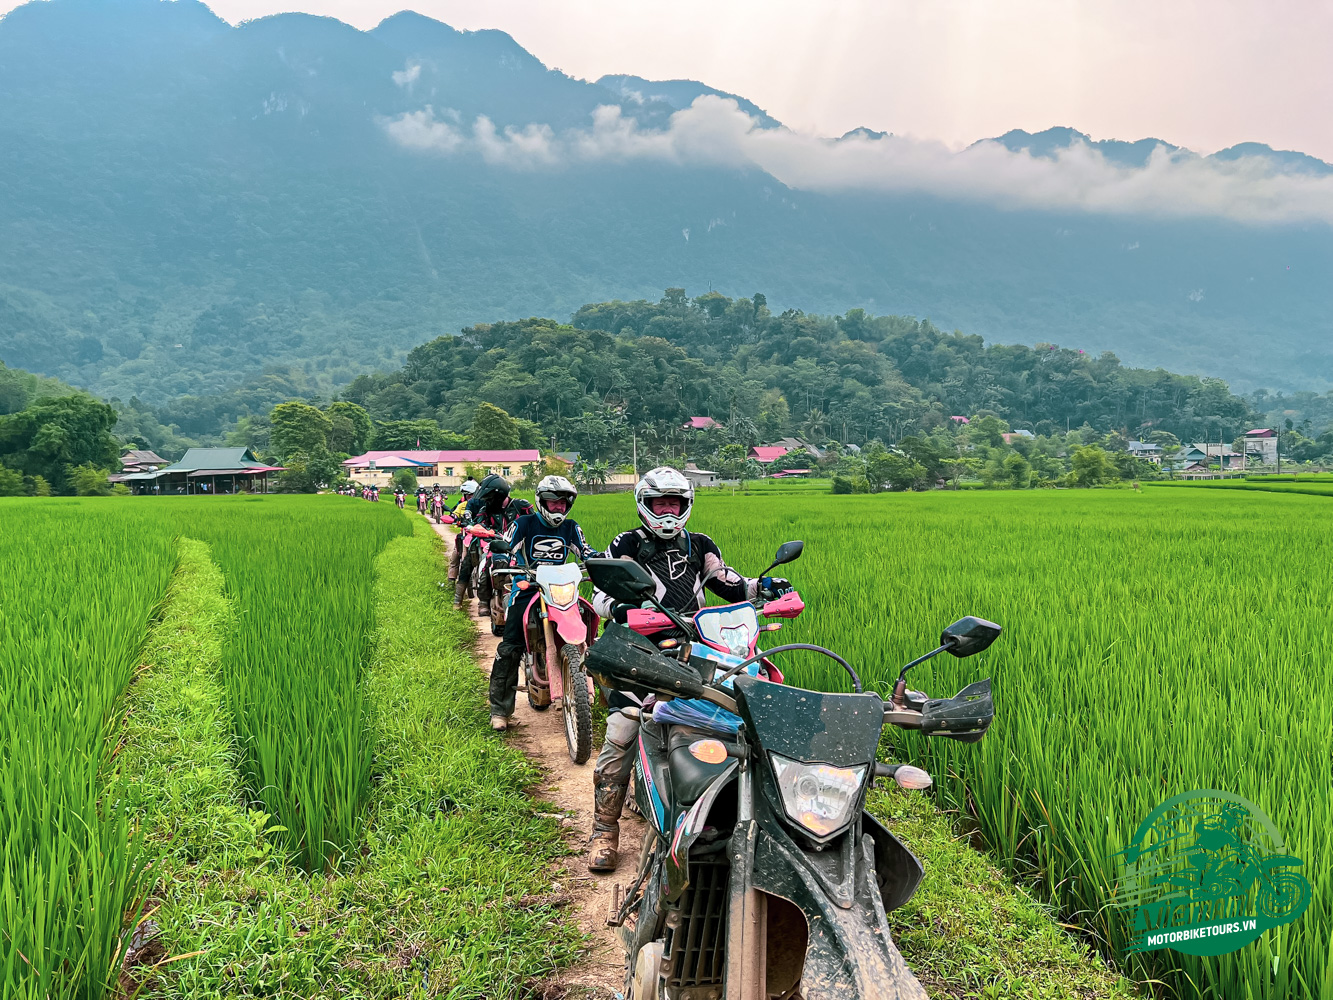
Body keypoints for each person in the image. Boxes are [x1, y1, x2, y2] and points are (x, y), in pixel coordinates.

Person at [584, 466, 788, 872]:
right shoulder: (628, 544)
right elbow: (601, 596)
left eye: (674, 503)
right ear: (645, 504)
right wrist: (626, 610)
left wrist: (762, 588)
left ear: (686, 505)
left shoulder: (699, 544)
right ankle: (604, 828)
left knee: (753, 708)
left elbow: (726, 582)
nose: (667, 511)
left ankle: (768, 815)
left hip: (696, 643)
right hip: (642, 647)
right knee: (625, 724)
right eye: (660, 503)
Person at [487, 476, 597, 729]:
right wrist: (502, 557)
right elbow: (506, 545)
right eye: (552, 502)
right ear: (541, 501)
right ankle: (500, 711)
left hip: (561, 587)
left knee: (589, 628)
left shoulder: (571, 527)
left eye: (562, 503)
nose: (557, 508)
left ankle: (604, 696)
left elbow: (586, 551)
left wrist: (601, 562)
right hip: (528, 586)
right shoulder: (524, 523)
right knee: (511, 644)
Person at [456, 475, 533, 613]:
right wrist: (478, 529)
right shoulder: (486, 509)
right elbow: (479, 523)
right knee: (478, 561)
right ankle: (474, 600)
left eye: (489, 497)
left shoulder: (521, 506)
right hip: (495, 545)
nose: (487, 501)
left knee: (534, 568)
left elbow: (535, 522)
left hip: (520, 547)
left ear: (498, 495)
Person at [447, 478, 479, 584]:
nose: (469, 497)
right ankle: (451, 580)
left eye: (471, 495)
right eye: (467, 495)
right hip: (465, 534)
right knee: (455, 556)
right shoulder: (461, 506)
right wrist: (453, 518)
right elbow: (454, 514)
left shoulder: (482, 505)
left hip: (480, 535)